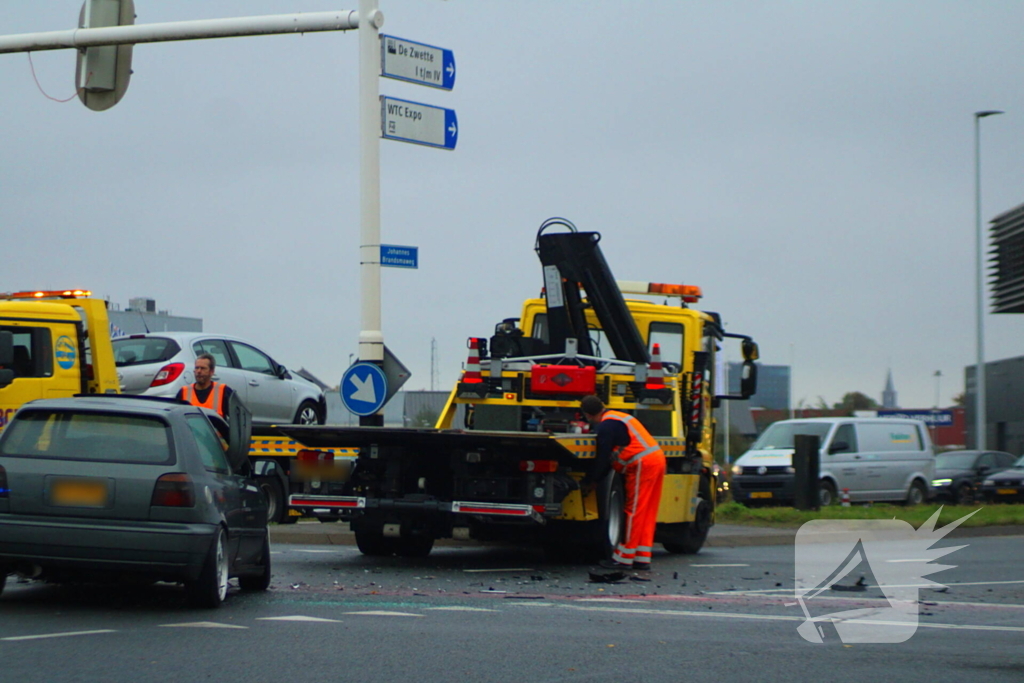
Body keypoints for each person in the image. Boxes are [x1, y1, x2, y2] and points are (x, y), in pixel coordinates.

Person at [579, 394, 666, 571]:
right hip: (656, 460)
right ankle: (641, 557)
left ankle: (623, 559)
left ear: (587, 415)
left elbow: (602, 459)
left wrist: (591, 481)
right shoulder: (618, 416)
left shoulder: (606, 426)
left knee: (633, 511)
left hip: (642, 463)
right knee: (646, 512)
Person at [179, 353, 235, 419]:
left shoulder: (223, 391)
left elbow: (236, 419)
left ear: (212, 371)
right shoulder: (184, 392)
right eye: (197, 368)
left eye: (203, 368)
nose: (199, 371)